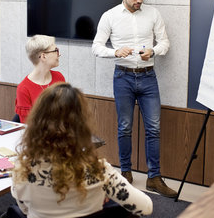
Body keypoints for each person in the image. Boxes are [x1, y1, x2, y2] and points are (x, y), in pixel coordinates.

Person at [11, 82, 153, 217]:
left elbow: (24, 209)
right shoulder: (98, 170)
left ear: (37, 122)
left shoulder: (23, 170)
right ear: (82, 124)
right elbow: (146, 207)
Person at [92, 0, 176, 198]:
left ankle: (154, 178)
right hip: (123, 77)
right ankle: (126, 173)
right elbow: (96, 47)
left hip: (149, 77)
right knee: (124, 127)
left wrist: (154, 51)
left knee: (154, 129)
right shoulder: (109, 16)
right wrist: (114, 52)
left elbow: (165, 42)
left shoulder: (153, 13)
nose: (140, 0)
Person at [15, 34, 65, 123]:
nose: (59, 54)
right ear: (43, 56)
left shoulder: (59, 77)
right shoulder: (23, 89)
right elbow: (28, 128)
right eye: (55, 50)